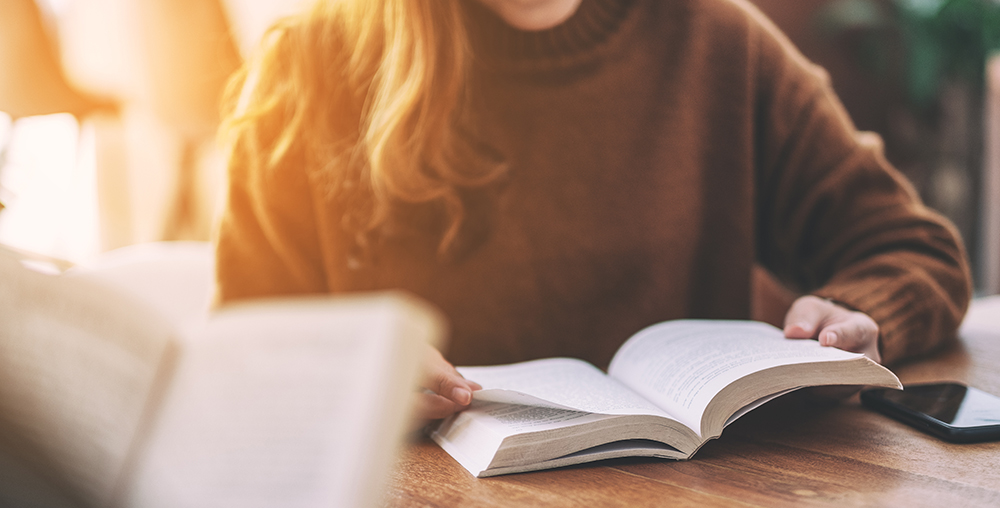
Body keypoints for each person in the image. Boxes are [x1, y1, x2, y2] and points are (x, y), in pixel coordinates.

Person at [214, 0, 972, 422]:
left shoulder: (719, 42)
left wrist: (851, 313)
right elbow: (242, 348)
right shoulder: (311, 68)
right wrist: (346, 374)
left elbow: (913, 248)